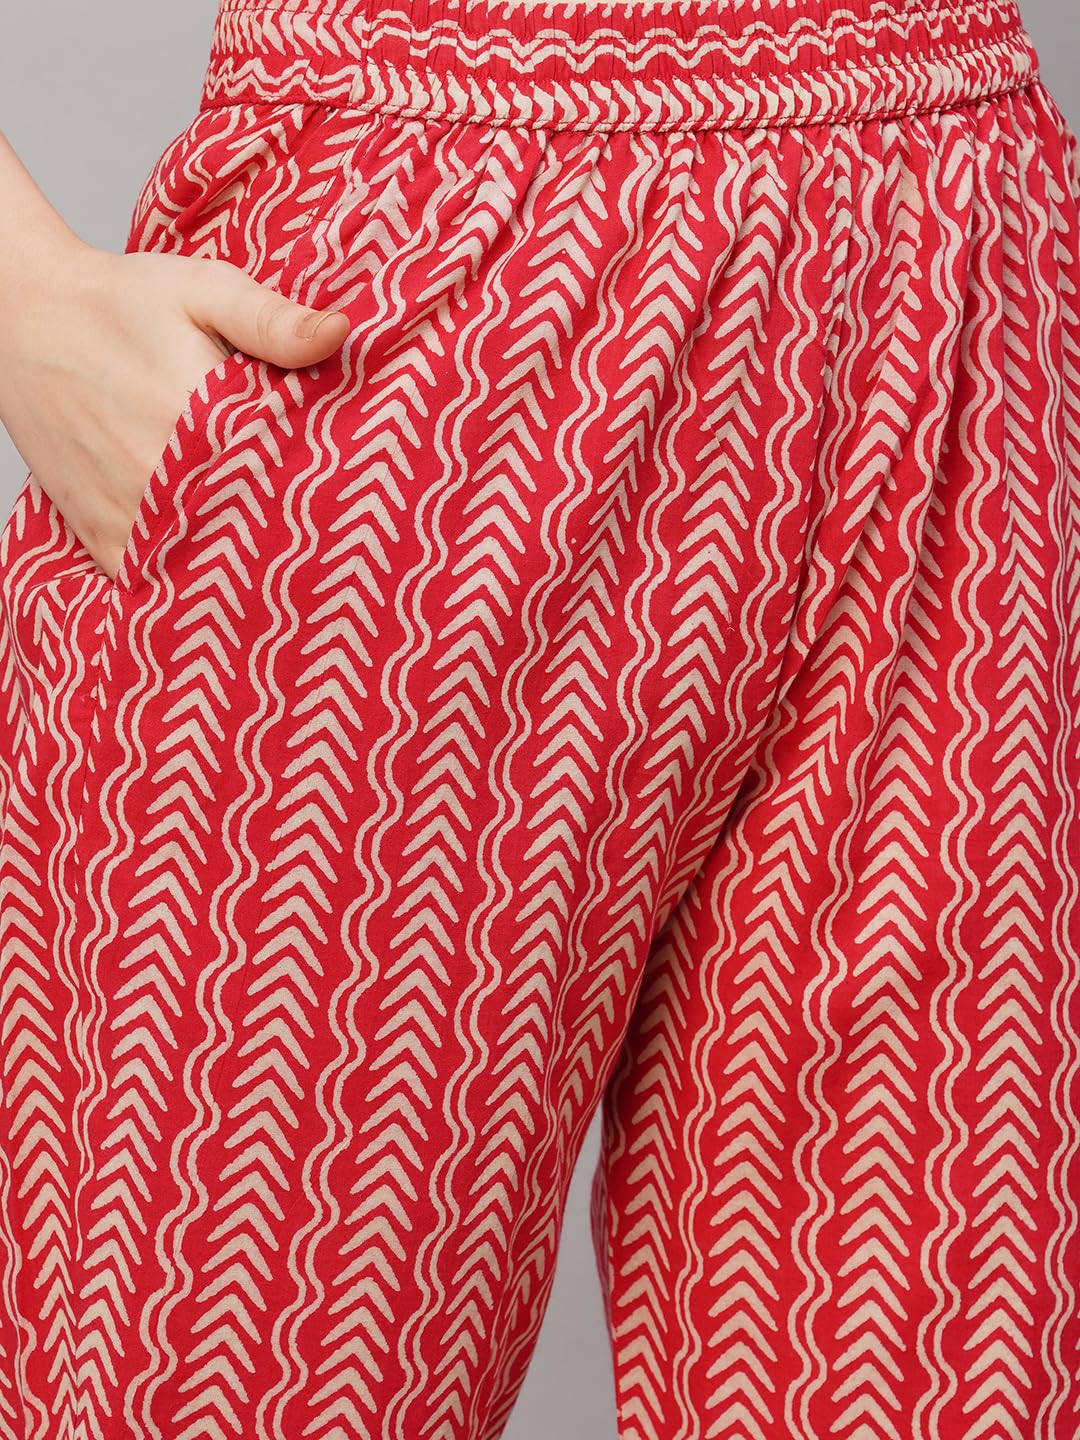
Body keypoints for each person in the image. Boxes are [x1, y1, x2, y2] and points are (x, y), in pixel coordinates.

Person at [0, 0, 1078, 1437]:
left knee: (936, 1365)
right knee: (230, 1372)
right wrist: (24, 300)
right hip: (416, 345)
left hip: (966, 288)